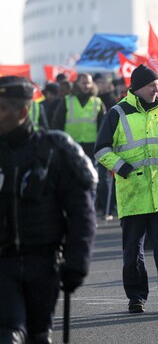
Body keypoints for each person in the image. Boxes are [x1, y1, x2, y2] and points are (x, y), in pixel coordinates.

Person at [0, 76, 97, 343]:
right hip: (2, 264)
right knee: (8, 331)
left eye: (1, 109)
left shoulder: (54, 151)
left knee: (39, 336)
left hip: (44, 264)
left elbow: (81, 212)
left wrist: (77, 263)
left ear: (22, 112)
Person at [94, 64, 158, 314]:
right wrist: (122, 168)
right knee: (133, 252)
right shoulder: (117, 112)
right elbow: (101, 149)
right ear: (136, 88)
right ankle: (136, 297)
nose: (156, 88)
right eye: (151, 84)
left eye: (157, 84)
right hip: (132, 194)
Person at [52, 73, 106, 160]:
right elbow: (57, 122)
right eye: (84, 83)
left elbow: (103, 126)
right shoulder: (67, 100)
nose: (87, 86)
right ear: (77, 84)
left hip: (91, 145)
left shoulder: (97, 101)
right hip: (71, 143)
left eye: (89, 83)